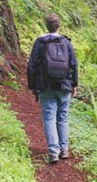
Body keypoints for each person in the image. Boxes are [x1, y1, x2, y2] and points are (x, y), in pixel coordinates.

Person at [26, 13, 78, 164]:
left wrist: (33, 86)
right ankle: (64, 149)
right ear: (59, 26)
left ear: (46, 25)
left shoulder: (40, 42)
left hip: (46, 85)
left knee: (49, 118)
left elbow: (31, 66)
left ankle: (53, 152)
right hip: (64, 86)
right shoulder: (66, 43)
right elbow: (73, 65)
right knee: (62, 117)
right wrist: (74, 85)